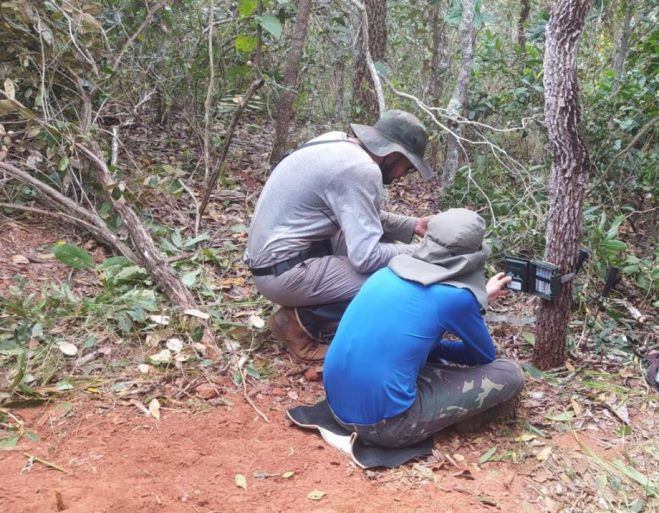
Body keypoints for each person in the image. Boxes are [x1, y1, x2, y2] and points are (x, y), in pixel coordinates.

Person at [323, 209, 525, 448]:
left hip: (336, 406)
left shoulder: (384, 274)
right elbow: (482, 357)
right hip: (386, 427)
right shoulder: (457, 298)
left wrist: (435, 345)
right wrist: (471, 308)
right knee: (509, 373)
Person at [246, 110, 435, 363]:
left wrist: (415, 225)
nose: (403, 174)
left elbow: (361, 214)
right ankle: (301, 328)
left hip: (275, 261)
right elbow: (366, 258)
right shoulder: (362, 170)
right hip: (283, 273)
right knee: (394, 278)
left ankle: (301, 314)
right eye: (408, 167)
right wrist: (426, 253)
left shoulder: (336, 142)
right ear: (394, 154)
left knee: (388, 248)